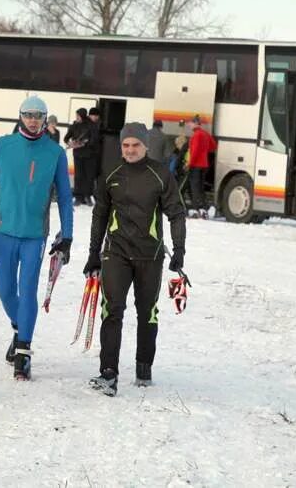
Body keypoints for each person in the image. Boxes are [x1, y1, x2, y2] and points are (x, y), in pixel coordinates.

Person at [0, 96, 74, 380]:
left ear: (45, 119)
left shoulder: (55, 153)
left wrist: (67, 235)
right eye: (28, 115)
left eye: (38, 116)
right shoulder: (2, 146)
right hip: (3, 230)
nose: (32, 120)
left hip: (34, 235)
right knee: (5, 290)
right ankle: (20, 329)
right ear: (20, 116)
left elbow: (65, 198)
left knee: (28, 289)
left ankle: (24, 352)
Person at [83, 122, 187, 395]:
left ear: (145, 146)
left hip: (150, 255)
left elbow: (176, 213)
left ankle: (144, 365)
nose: (130, 150)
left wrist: (179, 250)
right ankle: (108, 373)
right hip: (116, 253)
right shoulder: (111, 174)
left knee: (147, 312)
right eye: (125, 145)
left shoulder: (161, 174)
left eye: (135, 145)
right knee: (112, 309)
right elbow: (100, 216)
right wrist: (94, 254)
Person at [64, 107, 99, 206]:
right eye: (76, 115)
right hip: (78, 155)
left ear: (83, 116)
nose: (77, 117)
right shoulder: (74, 125)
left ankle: (87, 196)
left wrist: (84, 143)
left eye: (78, 116)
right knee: (78, 176)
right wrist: (70, 142)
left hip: (89, 155)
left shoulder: (91, 125)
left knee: (89, 176)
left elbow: (94, 139)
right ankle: (78, 196)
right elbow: (66, 137)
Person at [186, 115, 217, 218]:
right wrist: (205, 151)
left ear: (195, 123)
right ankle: (203, 209)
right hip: (204, 164)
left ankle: (195, 209)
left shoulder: (196, 135)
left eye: (190, 123)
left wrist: (189, 164)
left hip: (195, 165)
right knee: (200, 188)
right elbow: (213, 146)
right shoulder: (205, 134)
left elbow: (194, 152)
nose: (189, 125)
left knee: (194, 188)